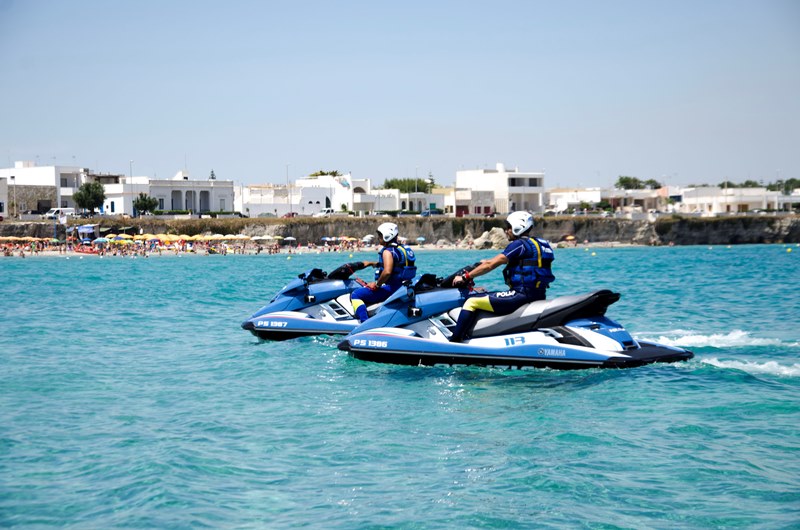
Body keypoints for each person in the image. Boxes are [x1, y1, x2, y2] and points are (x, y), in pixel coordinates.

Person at [449, 211, 555, 342]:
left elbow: (490, 265)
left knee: (471, 302)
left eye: (508, 227)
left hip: (520, 296)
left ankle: (455, 341)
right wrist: (485, 261)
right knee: (486, 294)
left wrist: (465, 277)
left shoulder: (519, 244)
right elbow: (501, 261)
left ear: (518, 227)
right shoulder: (540, 244)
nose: (506, 231)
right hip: (538, 295)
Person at [350, 222, 417, 323]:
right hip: (403, 287)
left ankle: (364, 322)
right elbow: (397, 265)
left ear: (387, 236)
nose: (378, 238)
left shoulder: (387, 252)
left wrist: (376, 285)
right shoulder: (402, 249)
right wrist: (374, 263)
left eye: (380, 236)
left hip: (391, 289)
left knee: (355, 295)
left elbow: (387, 272)